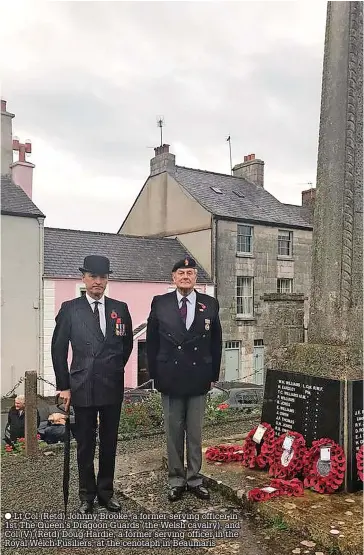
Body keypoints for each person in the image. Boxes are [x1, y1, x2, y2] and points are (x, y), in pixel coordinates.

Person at [51, 255, 133, 514]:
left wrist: (112, 367)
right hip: (82, 385)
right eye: (93, 276)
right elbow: (58, 349)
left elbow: (126, 345)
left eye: (103, 277)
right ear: (83, 278)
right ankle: (86, 495)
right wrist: (64, 386)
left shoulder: (120, 308)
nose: (98, 282)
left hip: (111, 385)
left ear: (108, 279)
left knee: (109, 442)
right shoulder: (70, 309)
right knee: (85, 444)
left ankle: (106, 493)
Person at [146, 256, 222, 501]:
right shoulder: (160, 303)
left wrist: (213, 375)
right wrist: (155, 375)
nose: (186, 276)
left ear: (196, 278)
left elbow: (216, 342)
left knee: (196, 433)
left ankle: (195, 478)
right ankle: (176, 479)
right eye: (181, 273)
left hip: (199, 376)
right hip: (170, 376)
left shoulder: (210, 304)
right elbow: (152, 342)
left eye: (190, 273)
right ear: (174, 278)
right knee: (174, 432)